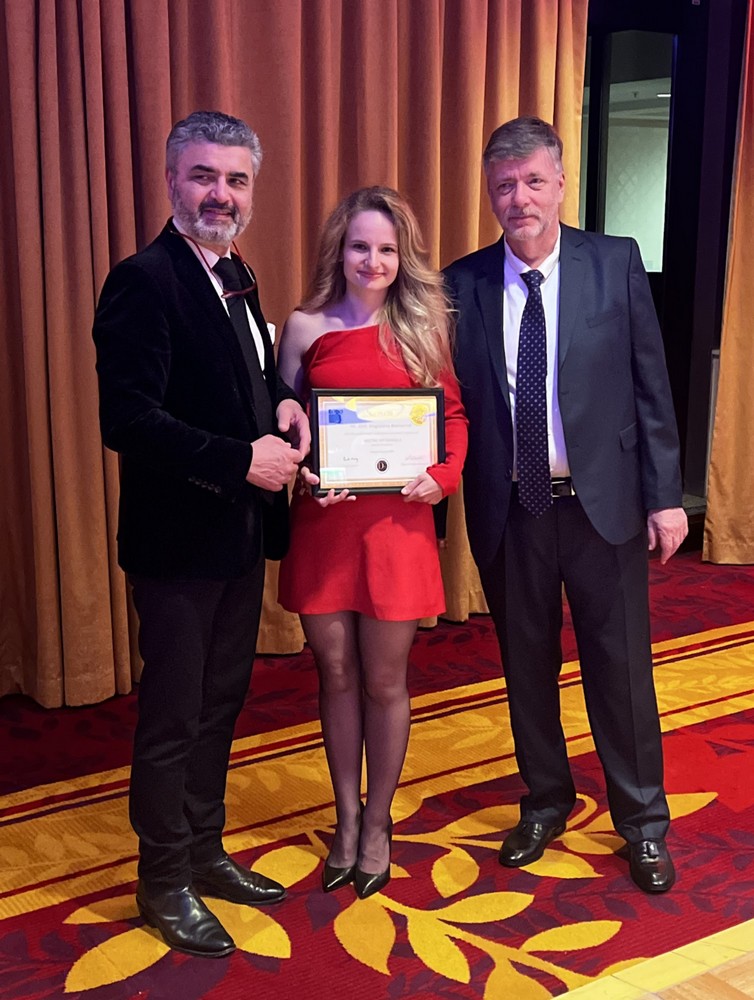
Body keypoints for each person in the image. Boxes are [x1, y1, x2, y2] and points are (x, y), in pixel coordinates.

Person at [444, 116, 688, 893]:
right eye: (504, 186)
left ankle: (643, 823)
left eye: (532, 182)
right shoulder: (461, 284)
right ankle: (546, 800)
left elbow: (651, 386)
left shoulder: (614, 262)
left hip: (602, 506)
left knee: (621, 669)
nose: (519, 199)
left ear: (559, 183)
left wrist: (667, 497)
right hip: (511, 509)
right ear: (490, 194)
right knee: (526, 667)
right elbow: (440, 397)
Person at [93, 111, 310, 957]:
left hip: (238, 538)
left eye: (236, 180)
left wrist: (281, 403)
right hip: (177, 544)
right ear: (172, 181)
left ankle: (204, 851)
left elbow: (244, 377)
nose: (221, 193)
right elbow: (128, 419)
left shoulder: (236, 271)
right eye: (204, 176)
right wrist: (240, 460)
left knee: (221, 703)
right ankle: (162, 880)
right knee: (174, 716)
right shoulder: (143, 280)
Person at [277, 187, 468, 899]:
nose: (373, 261)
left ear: (403, 256)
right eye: (361, 246)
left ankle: (379, 823)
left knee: (385, 681)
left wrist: (443, 477)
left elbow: (454, 418)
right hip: (325, 527)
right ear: (340, 249)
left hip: (398, 531)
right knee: (334, 674)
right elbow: (283, 423)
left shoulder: (424, 327)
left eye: (387, 249)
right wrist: (303, 472)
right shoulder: (303, 326)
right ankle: (347, 819)